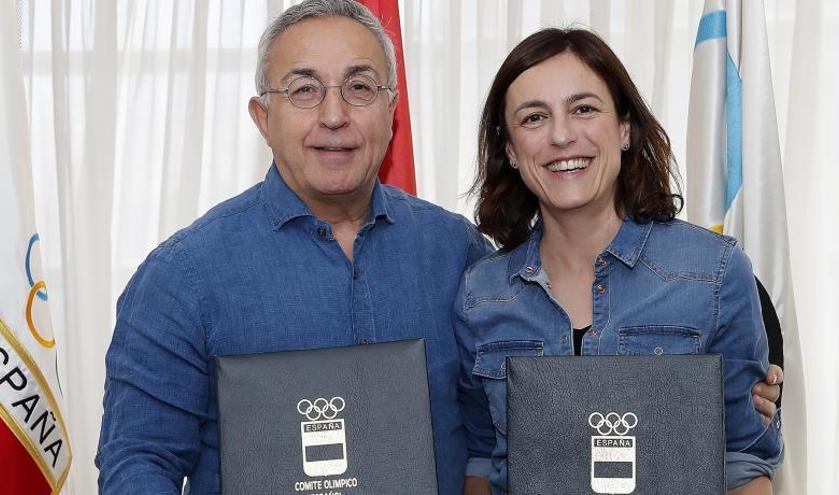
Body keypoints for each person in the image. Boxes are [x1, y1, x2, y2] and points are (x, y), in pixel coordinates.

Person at [96, 2, 782, 493]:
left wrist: (736, 388)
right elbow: (138, 464)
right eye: (304, 90)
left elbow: (491, 441)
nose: (334, 114)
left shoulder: (460, 257)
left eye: (360, 87)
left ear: (391, 110)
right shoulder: (182, 276)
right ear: (262, 116)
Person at [454, 28, 783, 494]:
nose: (562, 135)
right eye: (533, 118)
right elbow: (484, 463)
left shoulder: (713, 275)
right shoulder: (479, 295)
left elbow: (743, 464)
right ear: (509, 149)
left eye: (584, 109)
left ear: (624, 129)